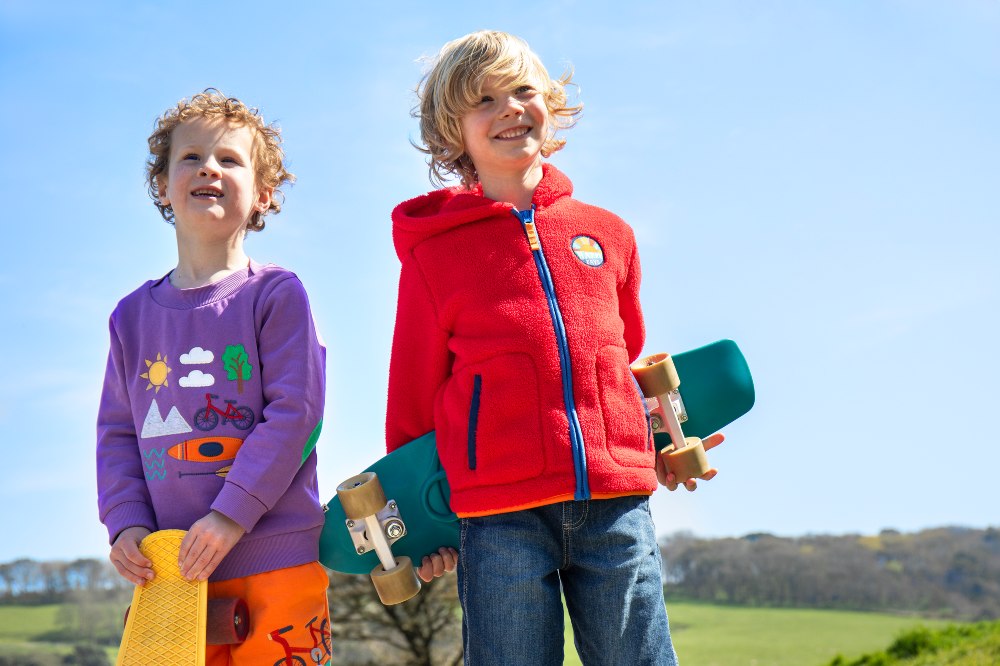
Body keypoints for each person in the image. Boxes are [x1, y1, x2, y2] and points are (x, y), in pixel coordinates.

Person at [386, 31, 724, 664]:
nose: (510, 108)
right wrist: (423, 521)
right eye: (484, 100)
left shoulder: (608, 235)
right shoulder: (435, 256)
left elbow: (622, 364)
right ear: (452, 131)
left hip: (615, 505)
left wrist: (654, 440)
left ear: (552, 101)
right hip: (498, 516)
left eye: (523, 90)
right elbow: (413, 395)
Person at [96, 90, 331, 665]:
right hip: (169, 575)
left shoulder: (275, 295)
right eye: (191, 157)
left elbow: (296, 414)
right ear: (162, 186)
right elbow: (118, 434)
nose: (209, 167)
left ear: (263, 192)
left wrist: (231, 515)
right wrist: (126, 525)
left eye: (230, 159)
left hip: (276, 560)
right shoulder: (130, 317)